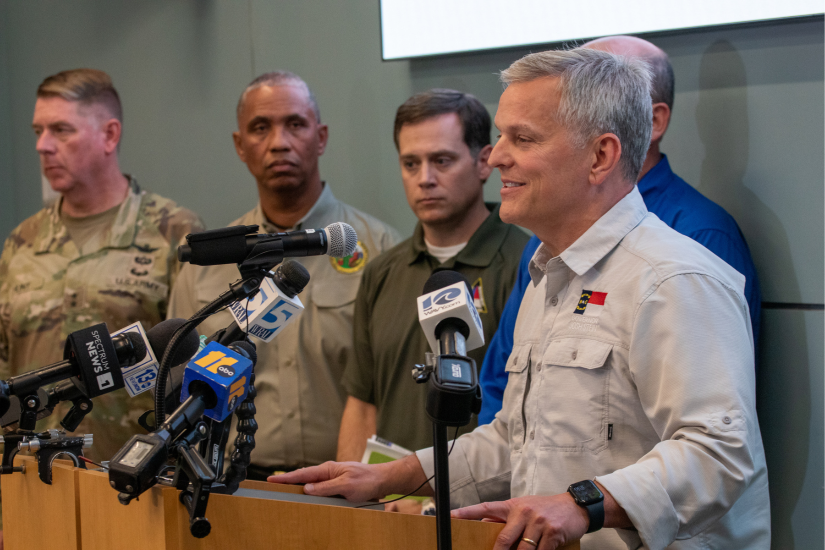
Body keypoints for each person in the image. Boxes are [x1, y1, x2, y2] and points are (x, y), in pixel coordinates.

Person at [271, 48, 770, 549]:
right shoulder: (548, 276)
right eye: (501, 135)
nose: (497, 156)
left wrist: (581, 503)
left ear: (600, 156)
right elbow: (515, 440)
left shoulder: (672, 279)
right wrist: (393, 476)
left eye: (523, 138)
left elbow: (719, 454)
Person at [477, 35, 762, 425]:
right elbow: (506, 397)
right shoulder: (543, 247)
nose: (495, 158)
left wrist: (574, 492)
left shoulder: (696, 247)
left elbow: (711, 446)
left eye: (524, 138)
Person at [168, 72, 400, 479]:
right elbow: (178, 384)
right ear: (240, 145)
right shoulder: (207, 267)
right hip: (236, 485)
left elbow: (398, 385)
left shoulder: (380, 248)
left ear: (321, 137)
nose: (279, 142)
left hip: (348, 484)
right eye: (260, 128)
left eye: (295, 124)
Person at [0, 69, 204, 462]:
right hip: (30, 479)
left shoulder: (173, 231)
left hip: (132, 482)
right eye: (38, 131)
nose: (43, 145)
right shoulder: (21, 242)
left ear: (109, 135)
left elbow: (193, 370)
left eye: (61, 130)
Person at [337, 89, 529, 462]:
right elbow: (362, 406)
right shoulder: (381, 272)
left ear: (484, 162)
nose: (425, 178)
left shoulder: (528, 263)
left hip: (482, 508)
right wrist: (353, 506)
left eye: (442, 160)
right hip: (391, 505)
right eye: (411, 164)